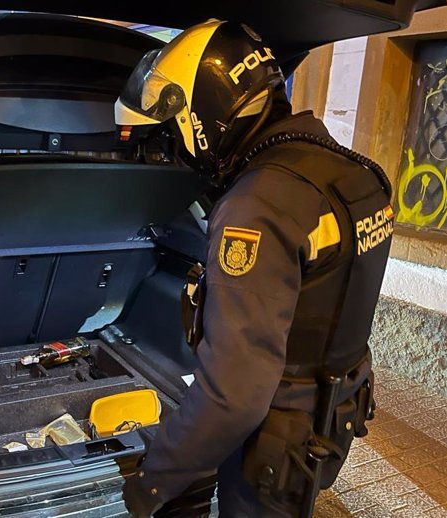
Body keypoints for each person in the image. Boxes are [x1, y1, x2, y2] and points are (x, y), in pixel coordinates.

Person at [115, 20, 393, 517]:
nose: (175, 146)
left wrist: (154, 483)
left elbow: (234, 396)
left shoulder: (258, 207)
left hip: (274, 441)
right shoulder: (350, 171)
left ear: (205, 113)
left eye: (173, 129)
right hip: (331, 413)